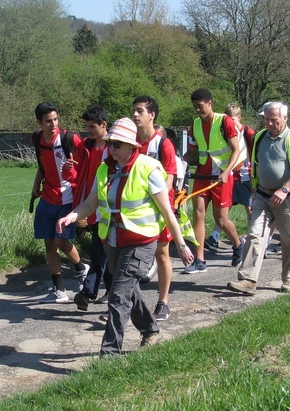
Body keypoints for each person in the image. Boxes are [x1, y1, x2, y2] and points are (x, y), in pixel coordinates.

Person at [56, 118, 194, 355]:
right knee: (129, 290)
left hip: (141, 243)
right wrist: (72, 215)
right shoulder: (104, 168)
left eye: (118, 144)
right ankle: (151, 331)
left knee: (118, 295)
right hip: (112, 241)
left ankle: (109, 354)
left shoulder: (148, 168)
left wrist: (181, 244)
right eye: (111, 143)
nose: (113, 148)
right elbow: (92, 202)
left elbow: (166, 210)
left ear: (132, 146)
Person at [227, 101, 290, 295]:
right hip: (262, 196)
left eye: (274, 119)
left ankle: (289, 279)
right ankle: (248, 279)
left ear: (285, 118)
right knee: (255, 234)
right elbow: (255, 163)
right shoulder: (260, 137)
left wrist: (284, 189)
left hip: (288, 198)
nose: (270, 123)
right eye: (266, 119)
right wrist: (255, 189)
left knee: (288, 238)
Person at [31, 102, 89, 304]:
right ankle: (59, 291)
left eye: (55, 119)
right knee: (49, 243)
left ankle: (82, 268)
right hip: (48, 197)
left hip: (68, 197)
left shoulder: (69, 138)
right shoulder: (37, 138)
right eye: (48, 121)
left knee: (60, 241)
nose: (53, 124)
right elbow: (41, 165)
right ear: (39, 122)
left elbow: (85, 164)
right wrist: (36, 185)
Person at [183, 88, 244, 273]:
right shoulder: (195, 124)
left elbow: (236, 150)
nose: (197, 110)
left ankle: (238, 244)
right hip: (202, 175)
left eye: (200, 106)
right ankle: (200, 260)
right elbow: (192, 153)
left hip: (221, 177)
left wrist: (227, 172)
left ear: (210, 103)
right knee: (198, 215)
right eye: (195, 107)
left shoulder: (224, 121)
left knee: (221, 219)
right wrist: (179, 165)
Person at [132, 96, 178, 322]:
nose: (135, 115)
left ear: (152, 115)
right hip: (135, 210)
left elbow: (169, 179)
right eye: (134, 111)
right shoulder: (130, 142)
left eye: (140, 111)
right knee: (131, 256)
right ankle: (128, 303)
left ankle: (163, 303)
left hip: (159, 210)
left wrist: (159, 204)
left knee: (162, 254)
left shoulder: (162, 144)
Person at [61, 106, 112, 311]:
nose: (88, 130)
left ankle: (89, 292)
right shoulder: (85, 146)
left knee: (101, 250)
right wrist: (69, 170)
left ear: (104, 125)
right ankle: (108, 291)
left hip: (109, 206)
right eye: (87, 127)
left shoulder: (114, 146)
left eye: (92, 127)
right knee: (103, 251)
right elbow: (77, 174)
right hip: (91, 205)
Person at [204, 103, 254, 265]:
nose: (230, 122)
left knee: (250, 208)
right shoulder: (225, 130)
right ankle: (215, 237)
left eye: (232, 119)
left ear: (239, 118)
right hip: (229, 176)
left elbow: (253, 152)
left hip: (246, 176)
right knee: (224, 212)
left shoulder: (248, 133)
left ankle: (253, 239)